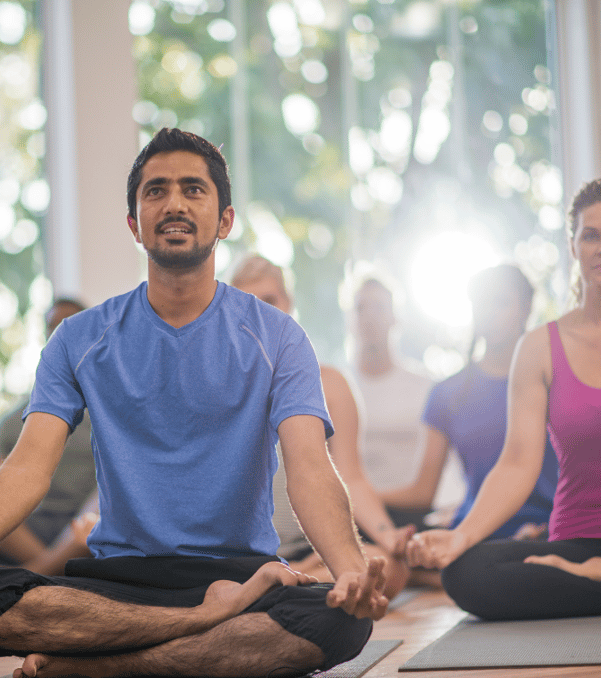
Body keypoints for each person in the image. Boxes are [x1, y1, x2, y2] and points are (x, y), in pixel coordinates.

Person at [0, 128, 389, 678]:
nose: (174, 202)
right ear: (135, 223)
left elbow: (312, 469)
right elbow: (25, 469)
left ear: (224, 221)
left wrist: (350, 575)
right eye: (156, 191)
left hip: (239, 570)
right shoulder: (78, 338)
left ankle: (96, 669)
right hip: (118, 579)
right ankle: (204, 625)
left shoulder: (279, 337)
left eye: (194, 189)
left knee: (341, 621)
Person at [407, 179, 601, 620]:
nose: (599, 247)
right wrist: (462, 536)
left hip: (576, 568)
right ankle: (590, 574)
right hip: (574, 541)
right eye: (591, 234)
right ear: (573, 245)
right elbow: (517, 463)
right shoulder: (538, 347)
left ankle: (592, 578)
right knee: (467, 572)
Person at [231, 255, 411, 598]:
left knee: (384, 566)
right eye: (248, 304)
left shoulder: (329, 383)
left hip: (308, 552)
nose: (261, 314)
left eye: (270, 301)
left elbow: (351, 476)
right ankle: (278, 582)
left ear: (290, 304)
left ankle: (287, 580)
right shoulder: (218, 386)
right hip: (242, 553)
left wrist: (386, 533)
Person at [382, 264, 558, 540]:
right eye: (482, 303)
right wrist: (355, 496)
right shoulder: (447, 392)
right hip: (474, 533)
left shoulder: (555, 381)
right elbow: (423, 492)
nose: (489, 312)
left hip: (548, 529)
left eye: (500, 302)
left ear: (526, 308)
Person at [0, 297, 96, 573]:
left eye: (71, 326)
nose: (60, 334)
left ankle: (33, 574)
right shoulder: (14, 420)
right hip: (22, 527)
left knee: (103, 507)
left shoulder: (108, 412)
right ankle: (45, 569)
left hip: (80, 527)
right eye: (53, 327)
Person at [350, 278, 445, 530]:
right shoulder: (336, 390)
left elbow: (426, 492)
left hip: (411, 516)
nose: (369, 316)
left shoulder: (425, 389)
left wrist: (362, 499)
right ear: (350, 320)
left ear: (395, 317)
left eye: (379, 307)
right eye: (360, 308)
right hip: (350, 516)